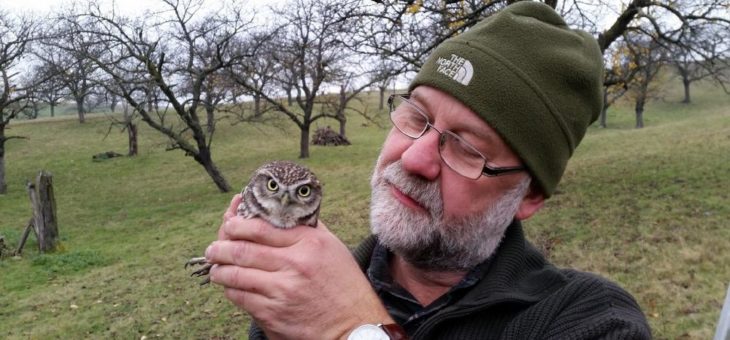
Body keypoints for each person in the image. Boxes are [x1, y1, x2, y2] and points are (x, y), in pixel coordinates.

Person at [204, 2, 652, 339]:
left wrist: (349, 327)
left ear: (529, 194)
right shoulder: (296, 288)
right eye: (416, 118)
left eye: (467, 148)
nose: (413, 159)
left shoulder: (590, 321)